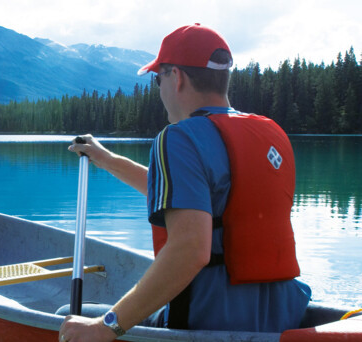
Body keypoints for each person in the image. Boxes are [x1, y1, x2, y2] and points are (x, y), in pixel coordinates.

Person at [58, 24, 311, 341]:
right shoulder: (270, 133)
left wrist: (106, 326)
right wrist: (106, 159)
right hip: (282, 318)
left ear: (175, 77)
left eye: (158, 78)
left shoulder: (179, 138)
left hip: (207, 322)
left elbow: (191, 250)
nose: (159, 88)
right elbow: (193, 201)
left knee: (64, 317)